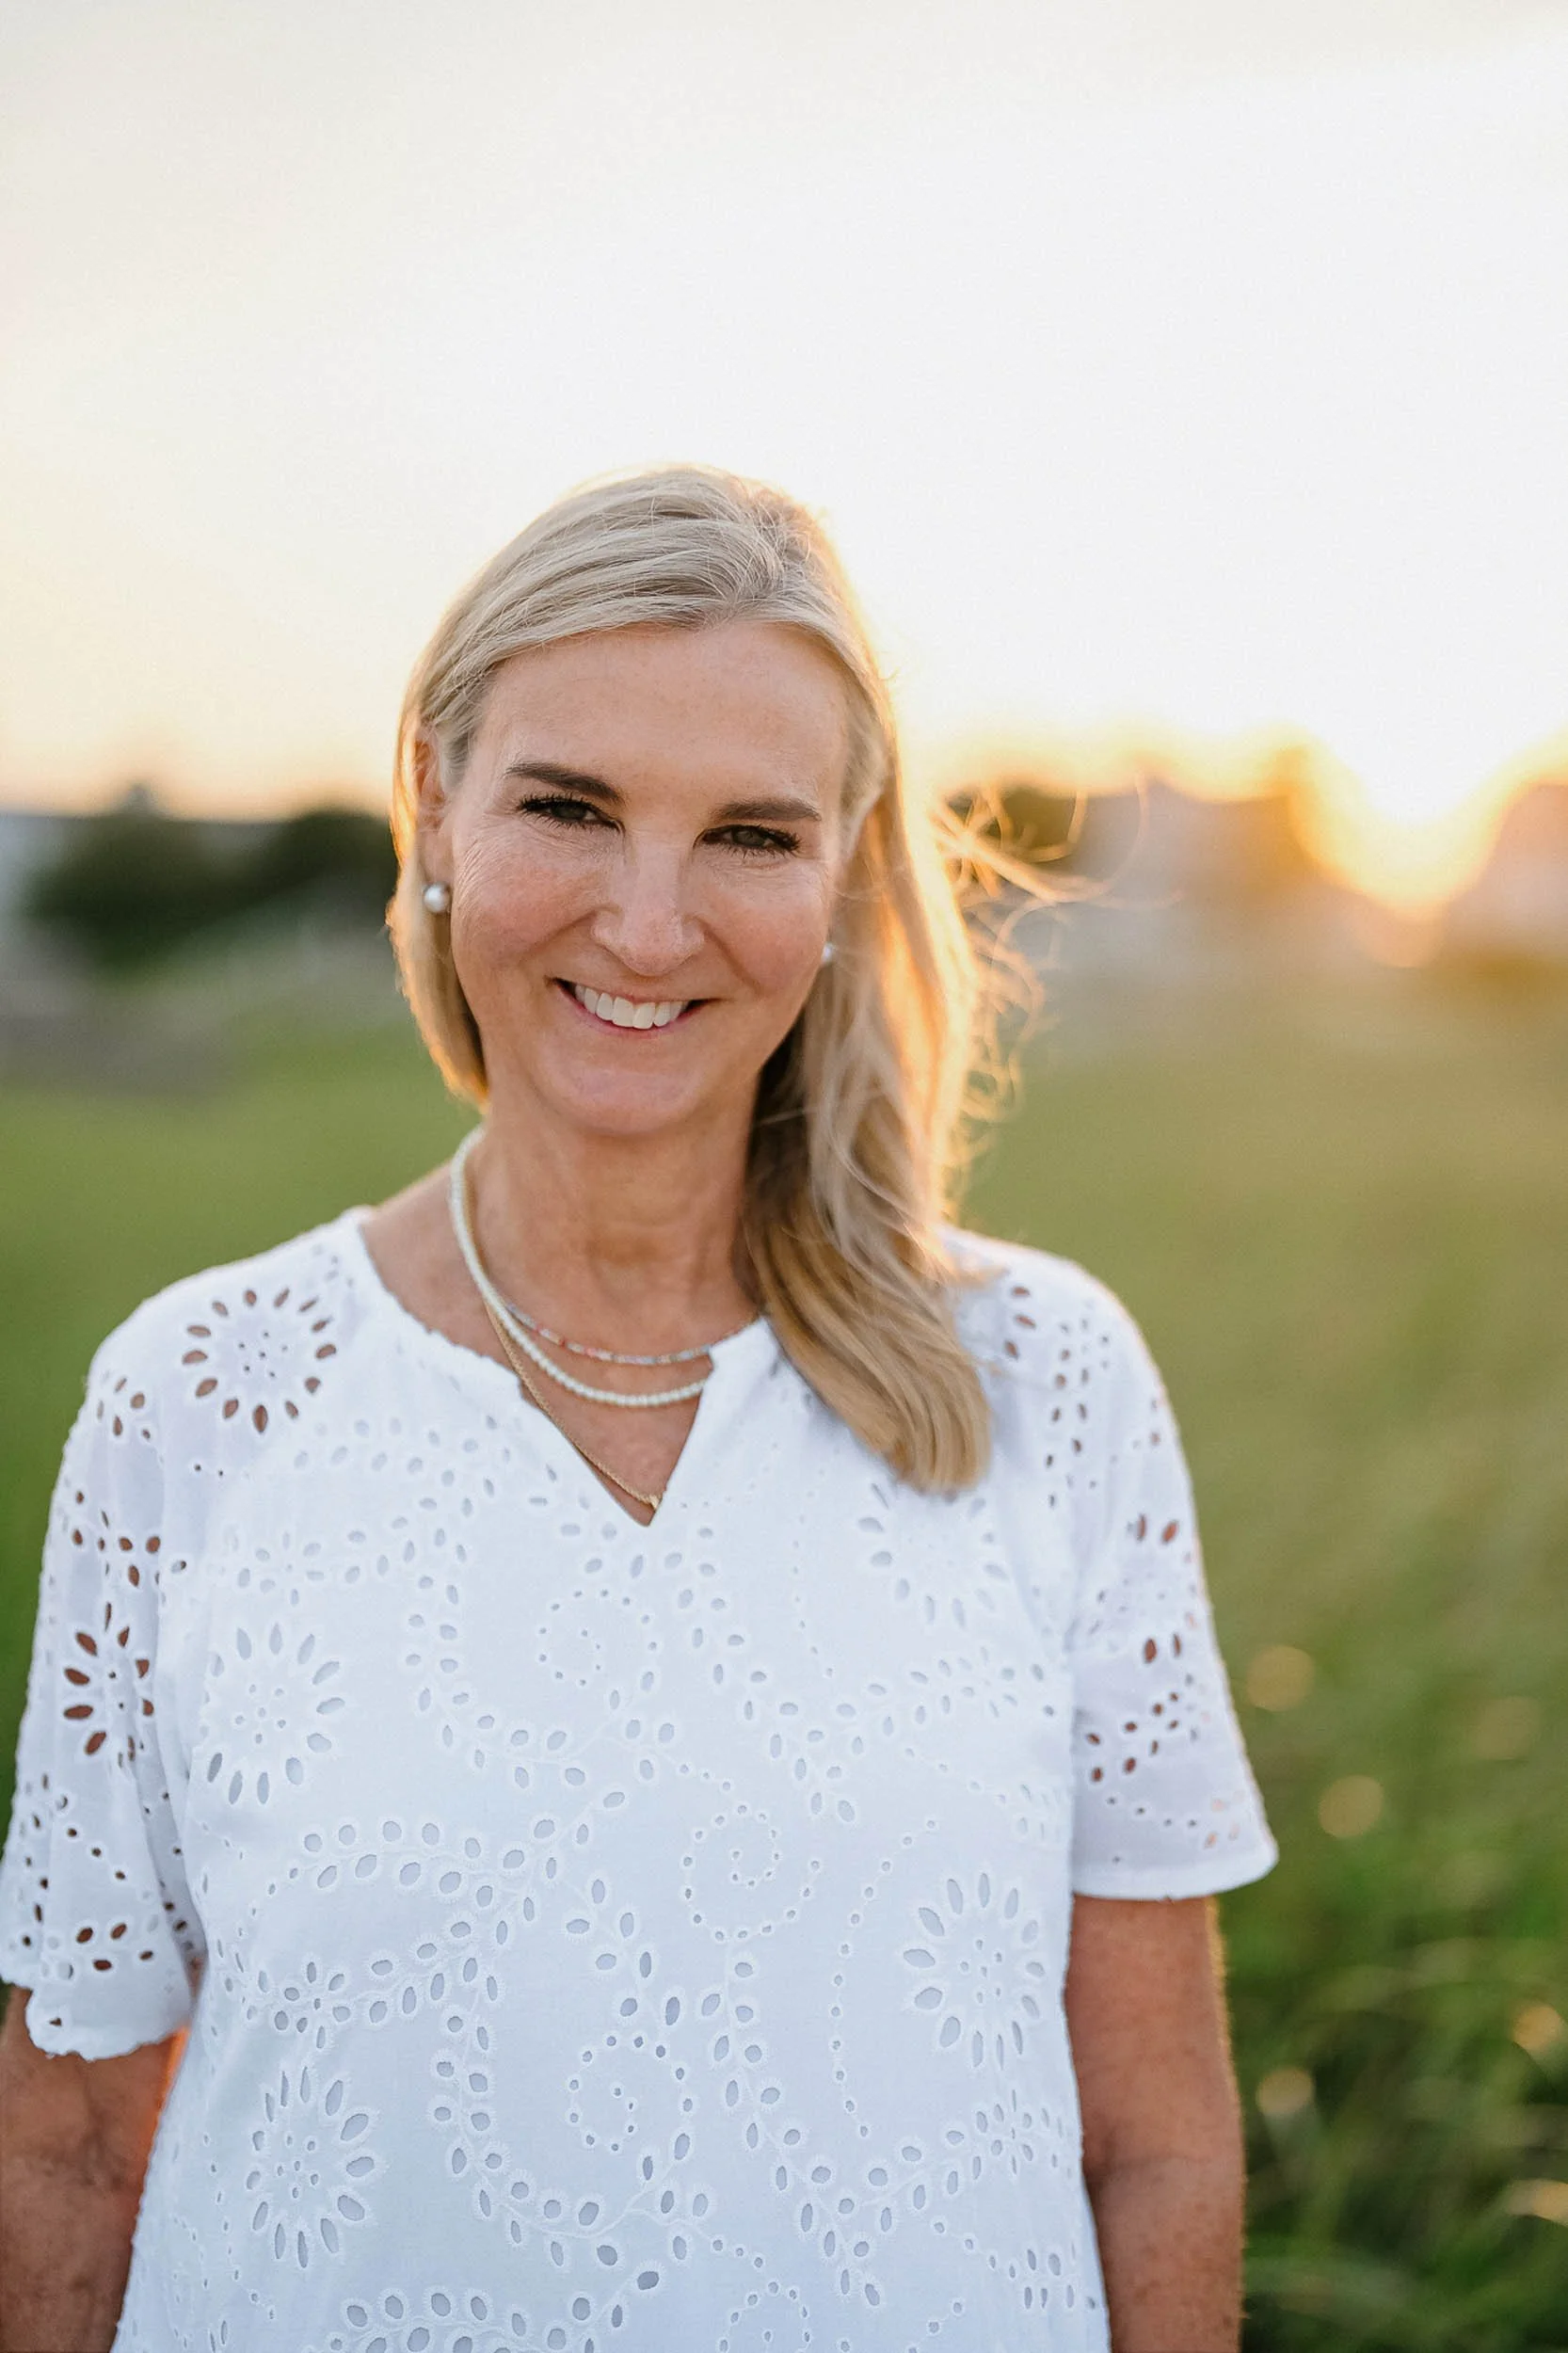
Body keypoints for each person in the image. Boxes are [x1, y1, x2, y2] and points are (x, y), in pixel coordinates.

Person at [0, 466, 1275, 2353]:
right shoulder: (197, 1397)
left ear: (840, 869)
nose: (650, 922)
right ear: (434, 801)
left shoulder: (1043, 1383)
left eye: (749, 834)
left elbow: (1151, 2136)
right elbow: (78, 2134)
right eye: (568, 806)